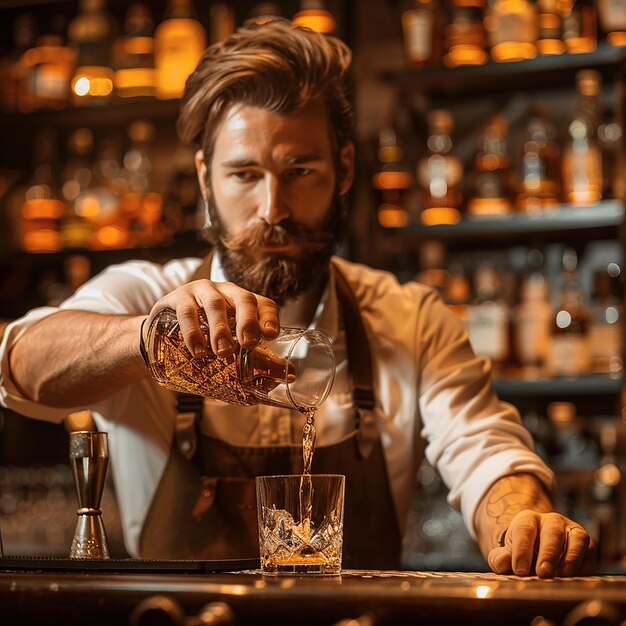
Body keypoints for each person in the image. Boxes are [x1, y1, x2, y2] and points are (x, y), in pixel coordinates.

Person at [0, 18, 595, 576]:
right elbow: (22, 363)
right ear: (205, 178)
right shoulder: (145, 293)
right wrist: (148, 341)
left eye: (301, 170)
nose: (273, 209)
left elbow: (487, 452)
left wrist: (523, 521)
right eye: (244, 175)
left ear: (343, 169)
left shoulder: (411, 320)